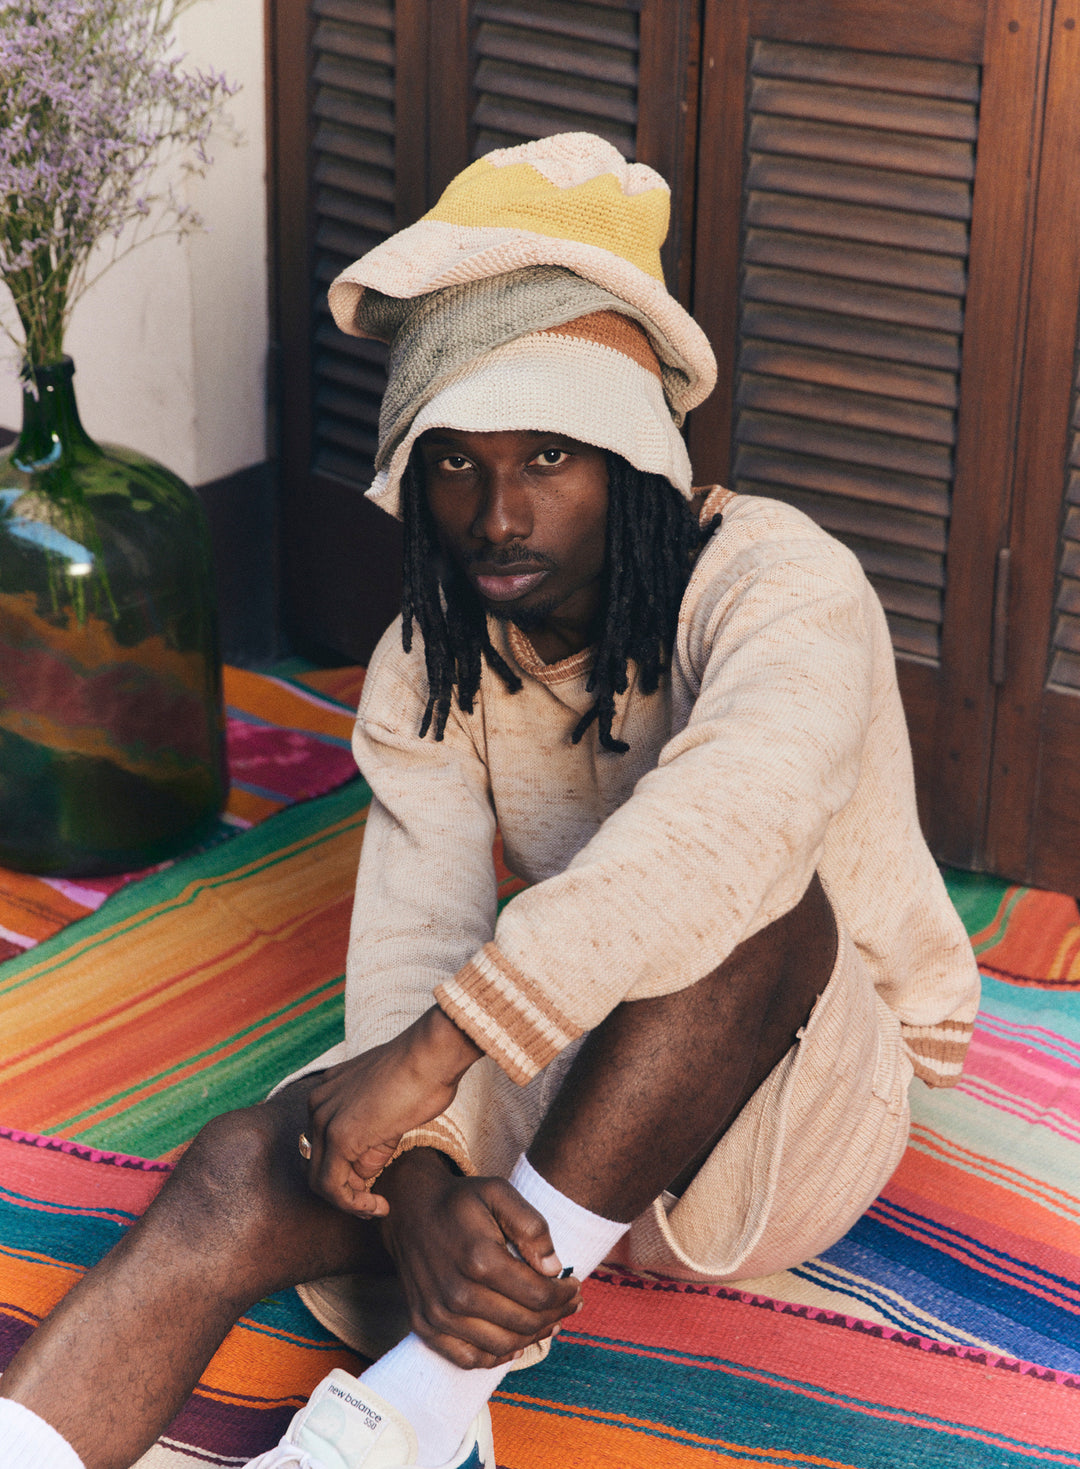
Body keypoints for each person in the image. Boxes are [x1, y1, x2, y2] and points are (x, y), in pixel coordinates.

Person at [0, 133, 979, 1469]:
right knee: (244, 1165)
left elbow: (739, 824)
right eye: (456, 461)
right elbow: (413, 941)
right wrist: (414, 1180)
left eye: (551, 456)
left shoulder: (779, 581)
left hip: (806, 1070)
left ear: (634, 459)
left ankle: (411, 1407)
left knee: (748, 891)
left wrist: (438, 1062)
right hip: (598, 1064)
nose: (498, 511)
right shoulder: (429, 657)